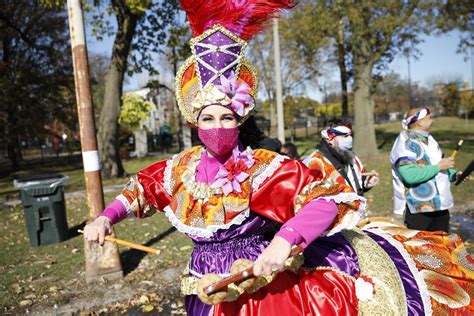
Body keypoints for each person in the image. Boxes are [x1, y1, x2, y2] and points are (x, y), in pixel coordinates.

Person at [85, 2, 473, 315]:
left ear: (239, 120)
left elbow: (328, 199)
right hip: (204, 291)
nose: (217, 125)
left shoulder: (262, 167)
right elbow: (142, 189)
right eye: (208, 117)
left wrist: (283, 242)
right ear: (194, 121)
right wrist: (106, 217)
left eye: (227, 117)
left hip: (265, 289)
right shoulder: (179, 170)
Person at [390, 107, 459, 232]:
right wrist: (439, 167)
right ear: (420, 122)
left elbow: (439, 161)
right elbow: (409, 175)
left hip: (440, 206)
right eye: (429, 118)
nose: (432, 121)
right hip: (418, 209)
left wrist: (454, 175)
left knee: (441, 249)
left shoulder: (430, 139)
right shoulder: (404, 142)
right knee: (420, 250)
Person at [303, 117, 379, 197]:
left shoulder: (352, 157)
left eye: (350, 135)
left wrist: (366, 184)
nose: (350, 139)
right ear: (330, 138)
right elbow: (307, 199)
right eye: (345, 136)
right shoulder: (314, 163)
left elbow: (356, 183)